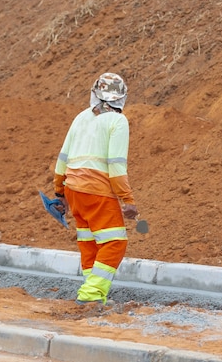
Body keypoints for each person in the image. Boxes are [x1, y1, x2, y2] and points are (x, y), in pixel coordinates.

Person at [53, 72, 139, 306]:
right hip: (97, 191)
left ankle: (94, 294)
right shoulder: (118, 121)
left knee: (89, 242)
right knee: (115, 242)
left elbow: (63, 156)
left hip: (73, 189)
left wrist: (59, 191)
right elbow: (116, 164)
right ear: (121, 98)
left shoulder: (81, 117)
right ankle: (91, 294)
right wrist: (127, 199)